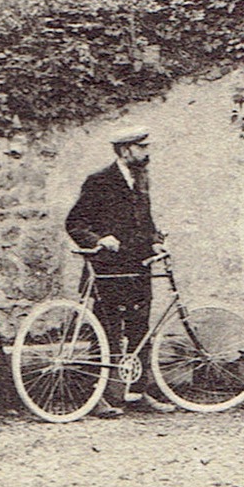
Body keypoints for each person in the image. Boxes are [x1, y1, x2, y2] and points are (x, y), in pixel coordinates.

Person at [65, 126, 176, 417]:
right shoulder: (99, 181)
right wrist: (99, 240)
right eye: (142, 148)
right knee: (106, 333)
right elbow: (75, 223)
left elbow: (146, 222)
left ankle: (138, 393)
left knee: (140, 331)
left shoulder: (141, 180)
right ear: (126, 150)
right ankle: (98, 397)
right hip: (107, 270)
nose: (147, 153)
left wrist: (155, 244)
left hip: (138, 267)